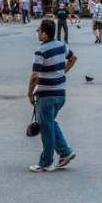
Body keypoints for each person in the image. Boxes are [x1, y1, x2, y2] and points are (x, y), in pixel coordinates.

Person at [27, 19, 77, 172]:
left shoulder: (41, 51)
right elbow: (73, 58)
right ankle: (65, 152)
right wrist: (62, 73)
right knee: (49, 123)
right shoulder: (62, 46)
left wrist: (29, 93)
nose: (37, 33)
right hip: (60, 94)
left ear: (44, 33)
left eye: (39, 30)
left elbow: (35, 75)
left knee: (46, 128)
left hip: (47, 95)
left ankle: (46, 162)